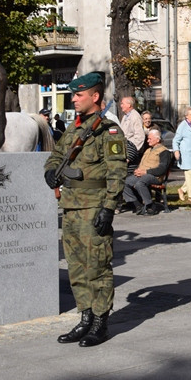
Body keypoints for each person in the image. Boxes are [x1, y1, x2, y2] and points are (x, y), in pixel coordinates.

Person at [43, 72, 127, 347]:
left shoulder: (108, 130)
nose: (73, 99)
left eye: (79, 95)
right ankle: (85, 317)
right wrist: (50, 171)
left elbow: (117, 171)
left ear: (95, 96)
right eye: (73, 95)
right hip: (70, 206)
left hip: (94, 206)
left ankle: (101, 322)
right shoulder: (73, 128)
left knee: (98, 265)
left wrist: (109, 208)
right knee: (76, 265)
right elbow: (56, 155)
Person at [123, 129, 173, 216]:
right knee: (125, 182)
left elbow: (162, 169)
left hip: (155, 176)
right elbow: (142, 164)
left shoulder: (164, 151)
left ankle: (150, 205)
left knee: (140, 183)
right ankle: (137, 204)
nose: (147, 140)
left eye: (150, 139)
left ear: (157, 140)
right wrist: (138, 170)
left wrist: (146, 172)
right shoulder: (148, 150)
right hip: (142, 174)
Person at [172, 107, 191, 204]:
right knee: (190, 175)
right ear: (186, 116)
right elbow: (176, 140)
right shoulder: (183, 126)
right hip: (187, 155)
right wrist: (176, 151)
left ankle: (182, 190)